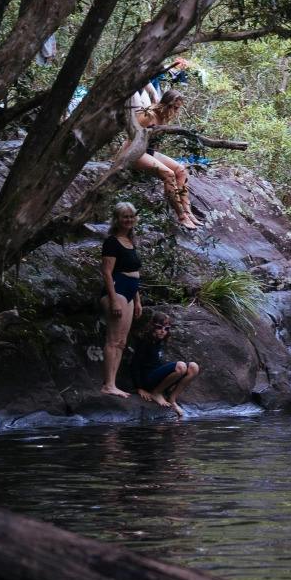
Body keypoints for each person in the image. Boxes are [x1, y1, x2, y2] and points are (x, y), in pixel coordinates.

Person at [133, 89, 196, 229]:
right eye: (175, 107)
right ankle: (181, 216)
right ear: (167, 104)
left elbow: (155, 144)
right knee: (169, 174)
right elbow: (132, 134)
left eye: (178, 108)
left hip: (148, 152)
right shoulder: (149, 114)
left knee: (181, 170)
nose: (176, 111)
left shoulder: (163, 117)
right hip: (134, 152)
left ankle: (188, 211)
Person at [99, 203, 143, 398]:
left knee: (122, 341)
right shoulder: (112, 242)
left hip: (131, 290)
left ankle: (113, 383)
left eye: (131, 216)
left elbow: (136, 274)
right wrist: (113, 300)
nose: (129, 220)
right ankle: (108, 384)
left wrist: (138, 301)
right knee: (113, 339)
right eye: (125, 217)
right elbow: (107, 272)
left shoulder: (130, 240)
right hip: (117, 290)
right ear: (117, 219)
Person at [133, 311, 199, 418]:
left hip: (157, 377)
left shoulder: (160, 342)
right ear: (152, 326)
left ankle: (172, 399)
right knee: (180, 366)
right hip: (148, 379)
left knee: (194, 367)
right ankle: (156, 393)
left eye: (166, 328)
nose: (163, 331)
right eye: (159, 327)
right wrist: (139, 388)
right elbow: (135, 364)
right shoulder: (144, 342)